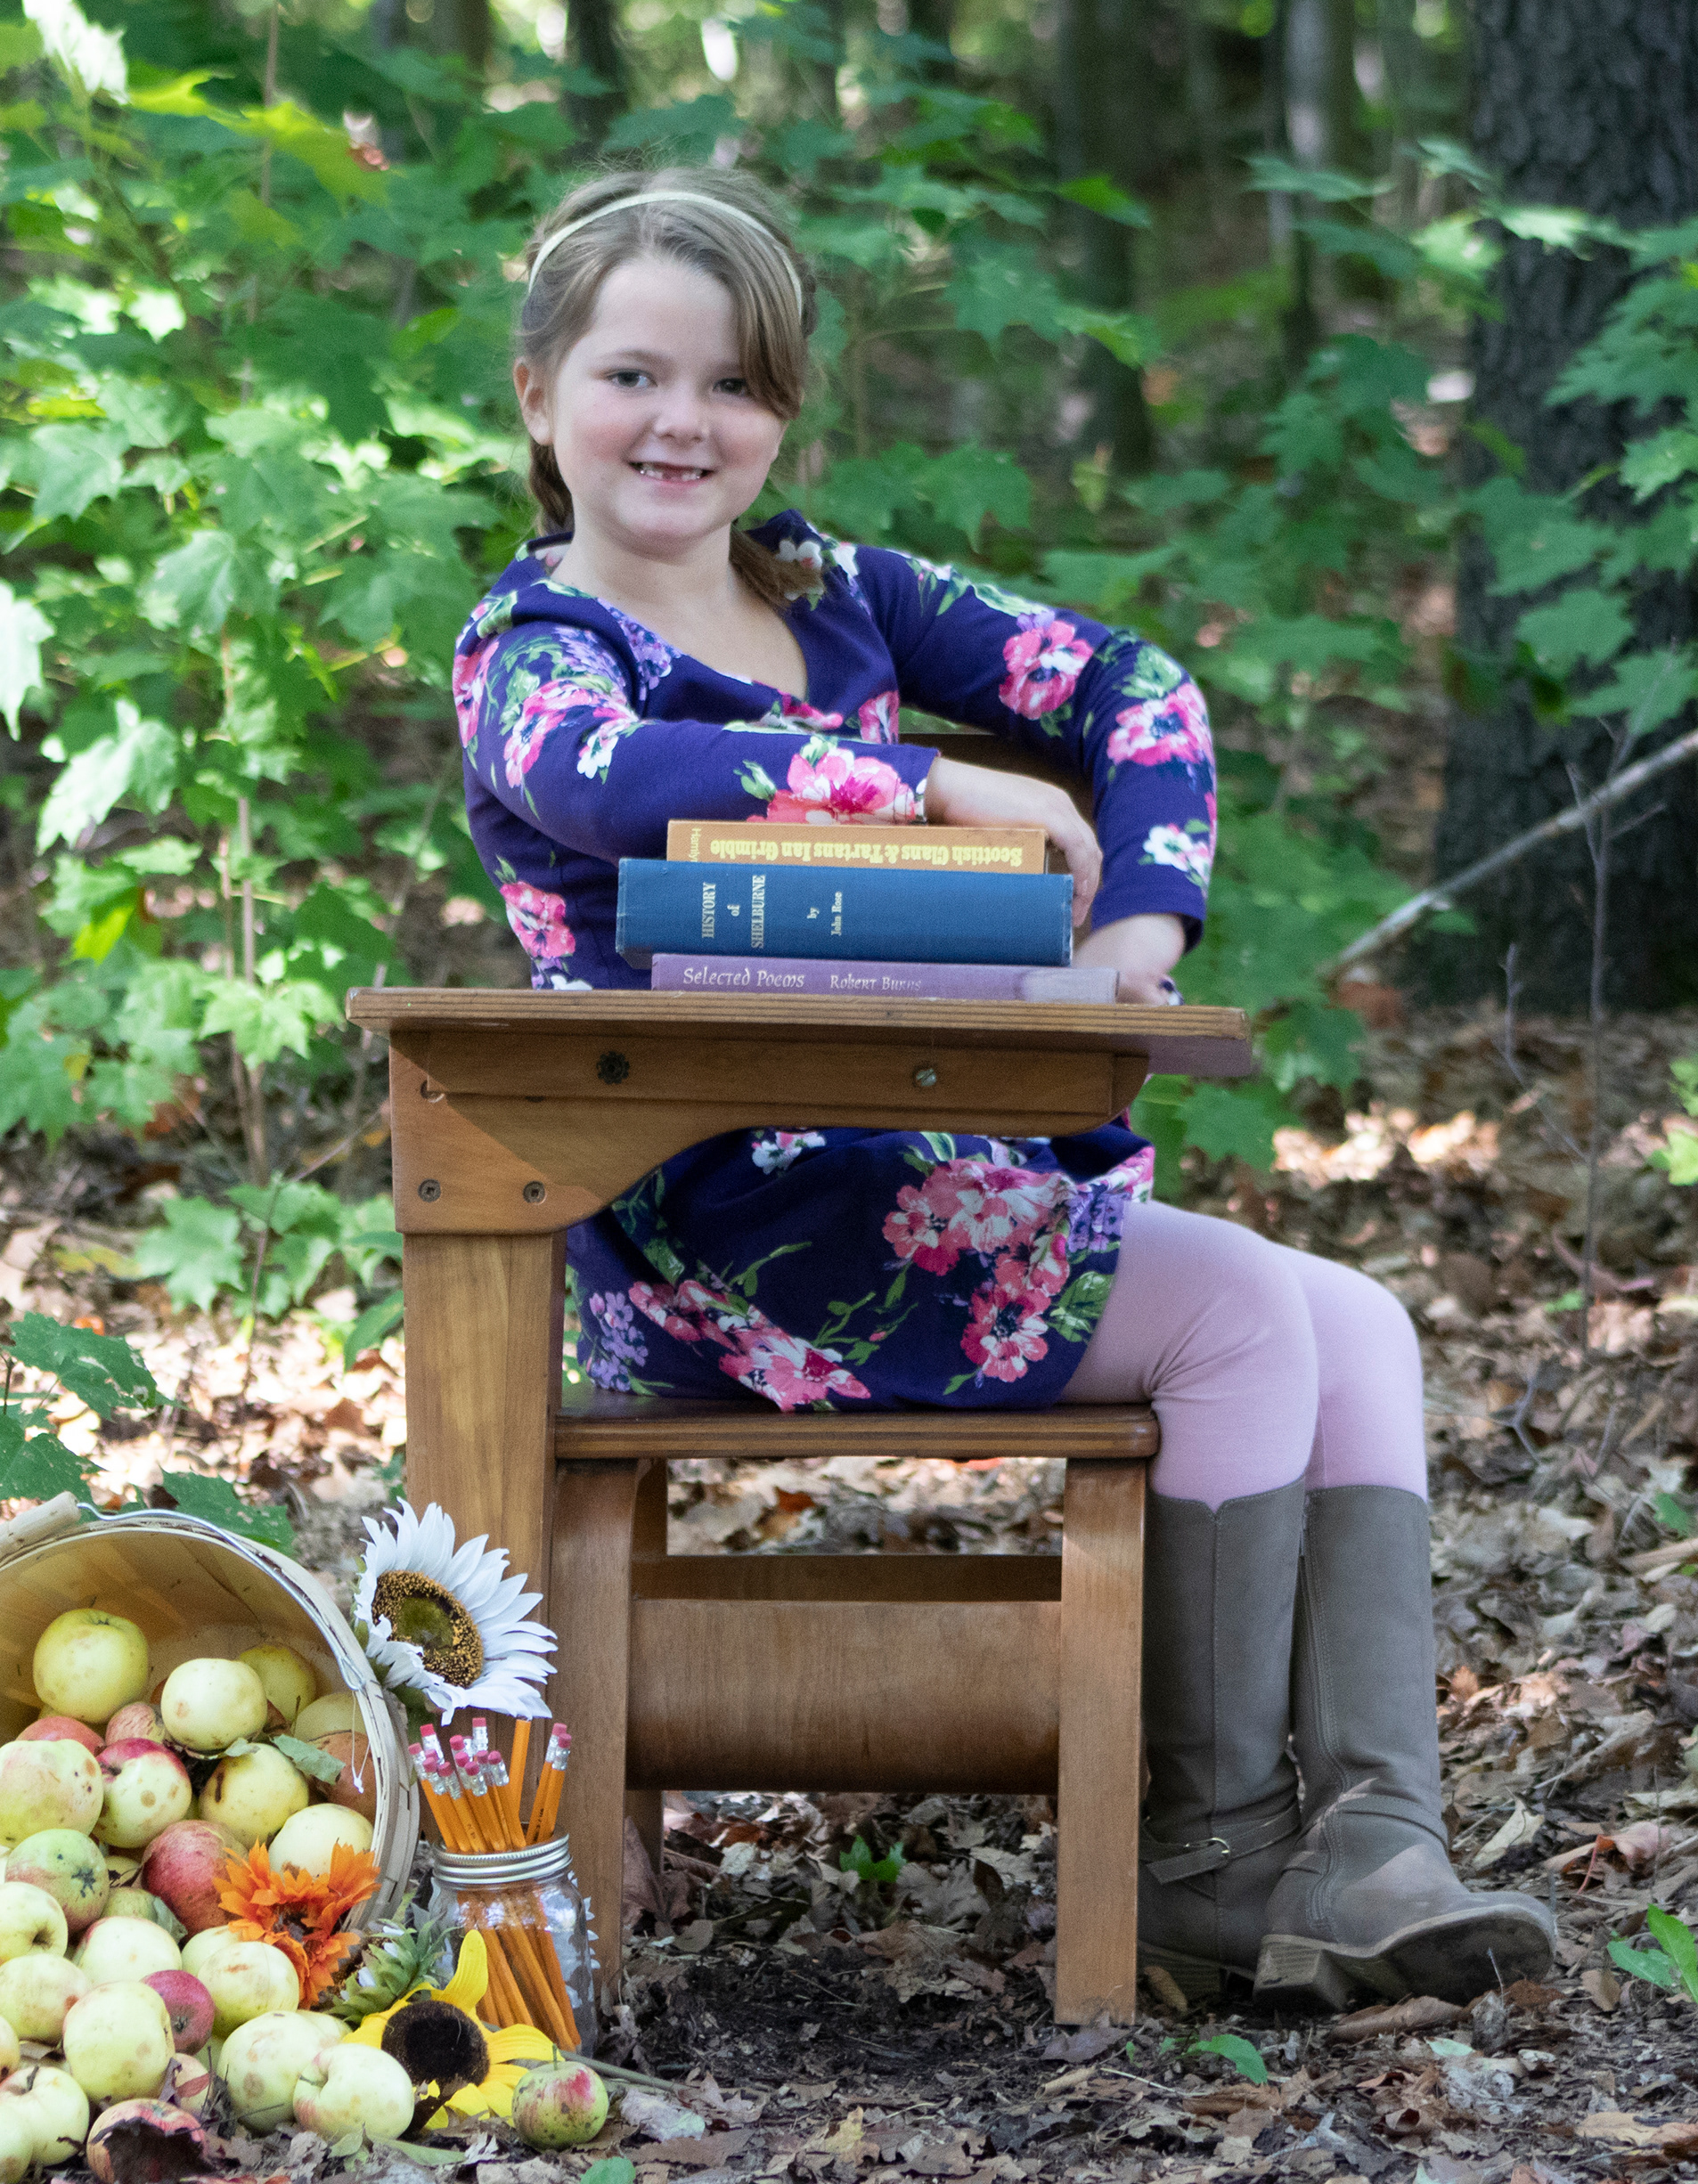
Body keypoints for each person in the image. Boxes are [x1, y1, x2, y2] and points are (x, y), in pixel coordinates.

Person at [450, 165, 1555, 2009]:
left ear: (780, 411)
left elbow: (1142, 691)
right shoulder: (537, 644)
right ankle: (1206, 1863)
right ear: (540, 393)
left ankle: (1374, 1839)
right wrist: (925, 786)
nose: (683, 421)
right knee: (1240, 1320)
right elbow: (602, 779)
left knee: (1359, 1322)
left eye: (734, 383)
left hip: (926, 1163)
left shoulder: (837, 592)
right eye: (634, 374)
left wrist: (1138, 925)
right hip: (718, 1208)